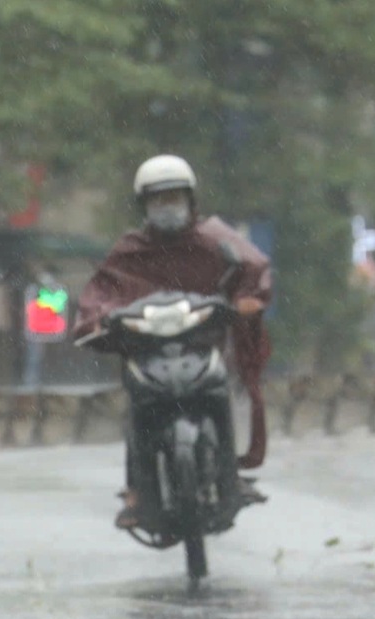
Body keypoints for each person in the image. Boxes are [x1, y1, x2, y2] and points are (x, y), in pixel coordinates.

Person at [74, 155, 273, 531]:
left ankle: (230, 474)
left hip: (202, 346)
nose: (168, 208)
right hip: (146, 352)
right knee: (136, 408)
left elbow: (254, 268)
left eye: (175, 199)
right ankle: (136, 490)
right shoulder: (129, 251)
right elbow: (101, 293)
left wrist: (245, 299)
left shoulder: (216, 239)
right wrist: (98, 319)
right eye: (158, 201)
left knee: (224, 394)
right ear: (144, 206)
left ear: (191, 201)